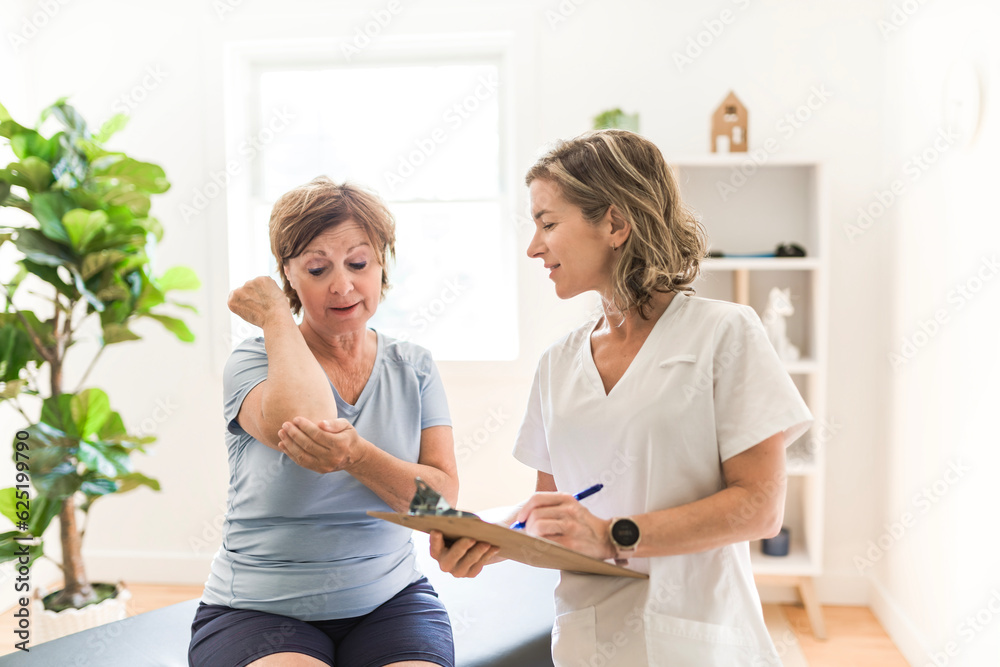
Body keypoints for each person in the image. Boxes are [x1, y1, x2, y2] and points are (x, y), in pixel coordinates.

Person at [430, 130, 813, 666]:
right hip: (588, 642)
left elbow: (760, 507)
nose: (533, 247)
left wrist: (612, 536)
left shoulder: (724, 333)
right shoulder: (558, 363)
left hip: (698, 639)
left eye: (547, 223)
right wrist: (490, 539)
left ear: (614, 224)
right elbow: (555, 521)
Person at [189, 176, 458, 667]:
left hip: (389, 602)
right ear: (287, 274)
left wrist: (359, 457)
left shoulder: (414, 366)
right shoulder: (253, 362)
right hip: (257, 610)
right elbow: (310, 421)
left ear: (382, 264)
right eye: (317, 268)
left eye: (358, 263)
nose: (342, 285)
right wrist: (275, 315)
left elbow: (438, 507)